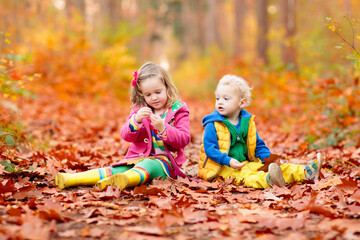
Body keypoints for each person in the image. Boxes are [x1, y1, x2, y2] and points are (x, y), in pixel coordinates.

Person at [55, 62, 191, 190]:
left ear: (167, 87)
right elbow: (126, 135)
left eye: (158, 92)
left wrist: (163, 128)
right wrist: (136, 121)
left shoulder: (178, 110)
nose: (154, 98)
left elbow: (184, 139)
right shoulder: (139, 111)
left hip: (167, 163)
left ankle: (122, 180)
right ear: (142, 95)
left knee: (148, 165)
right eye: (148, 94)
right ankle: (72, 179)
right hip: (138, 158)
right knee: (117, 169)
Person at [198, 74, 323, 189]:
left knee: (271, 168)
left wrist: (267, 158)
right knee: (246, 176)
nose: (220, 102)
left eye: (226, 98)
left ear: (242, 102)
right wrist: (228, 160)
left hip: (244, 163)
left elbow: (257, 144)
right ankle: (268, 180)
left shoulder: (247, 122)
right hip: (221, 168)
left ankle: (306, 173)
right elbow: (210, 149)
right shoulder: (212, 123)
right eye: (217, 98)